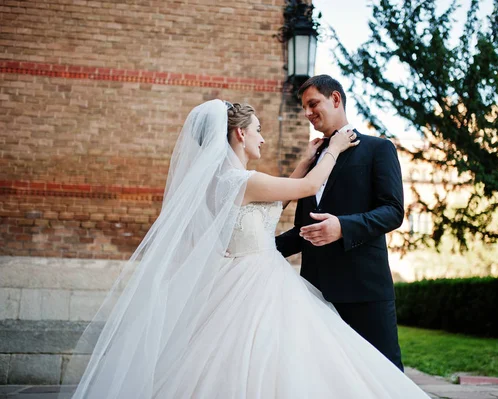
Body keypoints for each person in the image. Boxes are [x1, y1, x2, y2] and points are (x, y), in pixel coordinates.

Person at [61, 99, 429, 398]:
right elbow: (307, 187)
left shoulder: (216, 183)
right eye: (258, 130)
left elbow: (269, 210)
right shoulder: (246, 179)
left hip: (233, 276)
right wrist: (331, 150)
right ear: (240, 133)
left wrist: (302, 163)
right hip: (258, 281)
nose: (263, 139)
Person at [276, 74, 406, 370]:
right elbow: (302, 231)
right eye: (304, 108)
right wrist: (259, 248)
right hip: (315, 294)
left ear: (335, 99)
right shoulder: (313, 161)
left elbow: (393, 211)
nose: (308, 113)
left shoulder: (377, 149)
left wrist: (342, 227)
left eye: (313, 104)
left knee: (383, 376)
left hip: (365, 290)